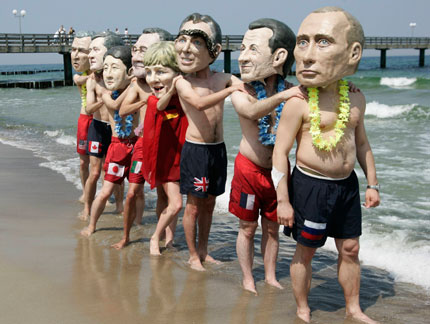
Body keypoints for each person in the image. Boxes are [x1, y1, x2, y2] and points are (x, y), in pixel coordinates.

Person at [272, 7, 380, 324]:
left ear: (353, 53)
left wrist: (372, 183)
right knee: (306, 250)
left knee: (350, 249)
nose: (306, 55)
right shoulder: (298, 102)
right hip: (310, 186)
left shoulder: (356, 99)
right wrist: (283, 200)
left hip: (347, 186)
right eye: (302, 42)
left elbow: (362, 144)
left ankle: (353, 308)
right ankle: (303, 309)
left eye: (321, 42)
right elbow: (280, 153)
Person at [229, 18, 302, 294]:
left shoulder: (292, 89)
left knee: (272, 228)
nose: (242, 57)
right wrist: (286, 97)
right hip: (249, 170)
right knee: (247, 228)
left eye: (252, 50)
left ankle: (270, 275)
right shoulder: (241, 89)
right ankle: (248, 277)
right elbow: (251, 112)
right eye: (241, 49)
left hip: (278, 172)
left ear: (279, 56)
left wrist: (349, 89)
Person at [174, 13, 247, 271]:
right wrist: (229, 90)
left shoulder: (222, 77)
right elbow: (198, 103)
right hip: (196, 150)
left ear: (214, 50)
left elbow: (249, 90)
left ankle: (204, 250)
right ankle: (192, 255)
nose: (186, 48)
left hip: (218, 150)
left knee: (210, 202)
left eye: (196, 42)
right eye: (181, 40)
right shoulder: (182, 81)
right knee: (193, 205)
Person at [112, 28, 172, 250]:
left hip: (167, 145)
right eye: (135, 49)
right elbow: (124, 109)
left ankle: (165, 237)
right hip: (142, 144)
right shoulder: (138, 84)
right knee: (132, 192)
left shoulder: (169, 80)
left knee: (164, 195)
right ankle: (126, 236)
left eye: (142, 50)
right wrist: (147, 101)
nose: (137, 54)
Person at [137, 41, 189, 255]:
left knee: (166, 200)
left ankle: (169, 239)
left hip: (180, 156)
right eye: (149, 72)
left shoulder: (184, 94)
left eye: (160, 72)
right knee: (175, 204)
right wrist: (173, 87)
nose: (153, 79)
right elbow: (160, 105)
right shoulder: (153, 99)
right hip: (160, 157)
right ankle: (155, 237)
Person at [81, 46, 138, 237]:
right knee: (105, 190)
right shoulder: (107, 92)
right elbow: (115, 106)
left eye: (114, 68)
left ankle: (137, 224)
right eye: (105, 68)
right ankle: (91, 225)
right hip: (117, 145)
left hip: (136, 144)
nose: (108, 73)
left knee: (137, 190)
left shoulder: (136, 89)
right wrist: (133, 86)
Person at [79, 31, 124, 221]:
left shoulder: (121, 78)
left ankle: (120, 207)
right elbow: (89, 108)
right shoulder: (93, 81)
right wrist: (104, 100)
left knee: (114, 170)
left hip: (115, 129)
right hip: (97, 127)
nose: (90, 55)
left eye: (95, 50)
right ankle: (88, 208)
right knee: (95, 171)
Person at [71, 31, 94, 203]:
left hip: (102, 120)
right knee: (83, 162)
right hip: (85, 120)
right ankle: (86, 192)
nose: (75, 55)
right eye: (73, 50)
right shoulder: (79, 76)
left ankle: (114, 197)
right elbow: (80, 80)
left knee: (103, 163)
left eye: (81, 50)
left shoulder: (104, 73)